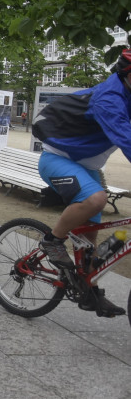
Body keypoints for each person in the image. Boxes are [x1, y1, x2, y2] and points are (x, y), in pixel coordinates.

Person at [30, 49, 131, 317]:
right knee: (96, 199)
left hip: (86, 166)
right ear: (127, 74)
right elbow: (126, 137)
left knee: (89, 238)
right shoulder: (109, 98)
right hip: (57, 159)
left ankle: (89, 293)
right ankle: (52, 240)